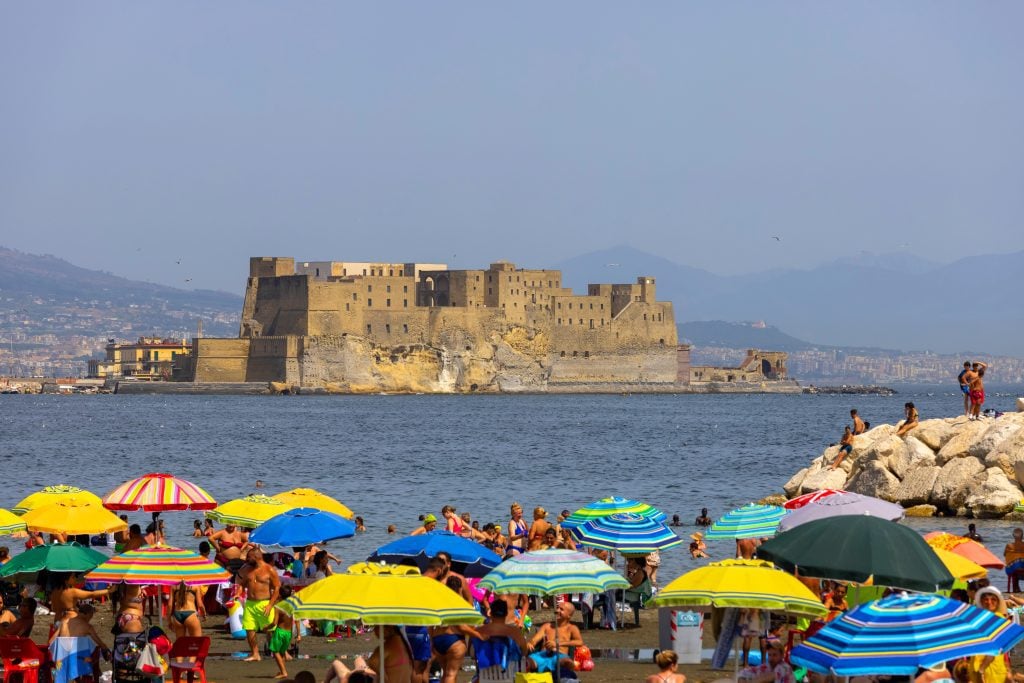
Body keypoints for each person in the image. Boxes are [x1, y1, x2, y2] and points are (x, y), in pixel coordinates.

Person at [237, 548, 281, 662]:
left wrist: (270, 605)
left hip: (265, 603)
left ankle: (278, 653)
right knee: (249, 629)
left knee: (270, 630)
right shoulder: (248, 570)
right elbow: (242, 584)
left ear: (256, 557)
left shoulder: (269, 570)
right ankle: (255, 654)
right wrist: (238, 593)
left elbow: (277, 588)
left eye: (248, 557)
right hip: (250, 603)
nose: (246, 560)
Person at [326, 625, 413, 683]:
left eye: (377, 627)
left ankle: (325, 682)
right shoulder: (403, 642)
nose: (375, 631)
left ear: (387, 629)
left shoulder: (389, 645)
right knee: (358, 659)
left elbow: (373, 662)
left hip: (362, 677)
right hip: (368, 674)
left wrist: (385, 677)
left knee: (337, 663)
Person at [50, 602, 110, 682]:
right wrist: (106, 649)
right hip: (79, 658)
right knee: (96, 649)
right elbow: (100, 643)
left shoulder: (65, 622)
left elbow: (51, 641)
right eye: (91, 616)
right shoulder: (87, 626)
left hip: (62, 657)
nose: (90, 618)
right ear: (88, 614)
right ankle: (94, 675)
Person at [527, 601, 584, 677]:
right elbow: (534, 640)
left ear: (569, 615)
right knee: (526, 662)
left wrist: (558, 644)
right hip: (542, 655)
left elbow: (579, 642)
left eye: (561, 609)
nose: (557, 611)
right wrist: (530, 643)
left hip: (559, 656)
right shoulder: (547, 626)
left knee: (568, 662)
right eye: (557, 608)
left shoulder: (571, 628)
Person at [969, 587, 1010, 683]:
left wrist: (981, 670)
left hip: (989, 667)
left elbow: (995, 649)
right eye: (986, 599)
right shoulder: (979, 619)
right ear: (981, 602)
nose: (989, 602)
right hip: (976, 664)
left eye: (993, 599)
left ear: (998, 602)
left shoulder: (998, 620)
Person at [270, 585, 296, 679]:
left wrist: (267, 627)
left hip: (280, 632)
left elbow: (274, 623)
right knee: (282, 652)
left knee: (275, 651)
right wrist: (299, 634)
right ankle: (282, 670)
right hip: (289, 633)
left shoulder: (278, 607)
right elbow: (295, 619)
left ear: (279, 594)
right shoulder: (291, 606)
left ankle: (284, 672)